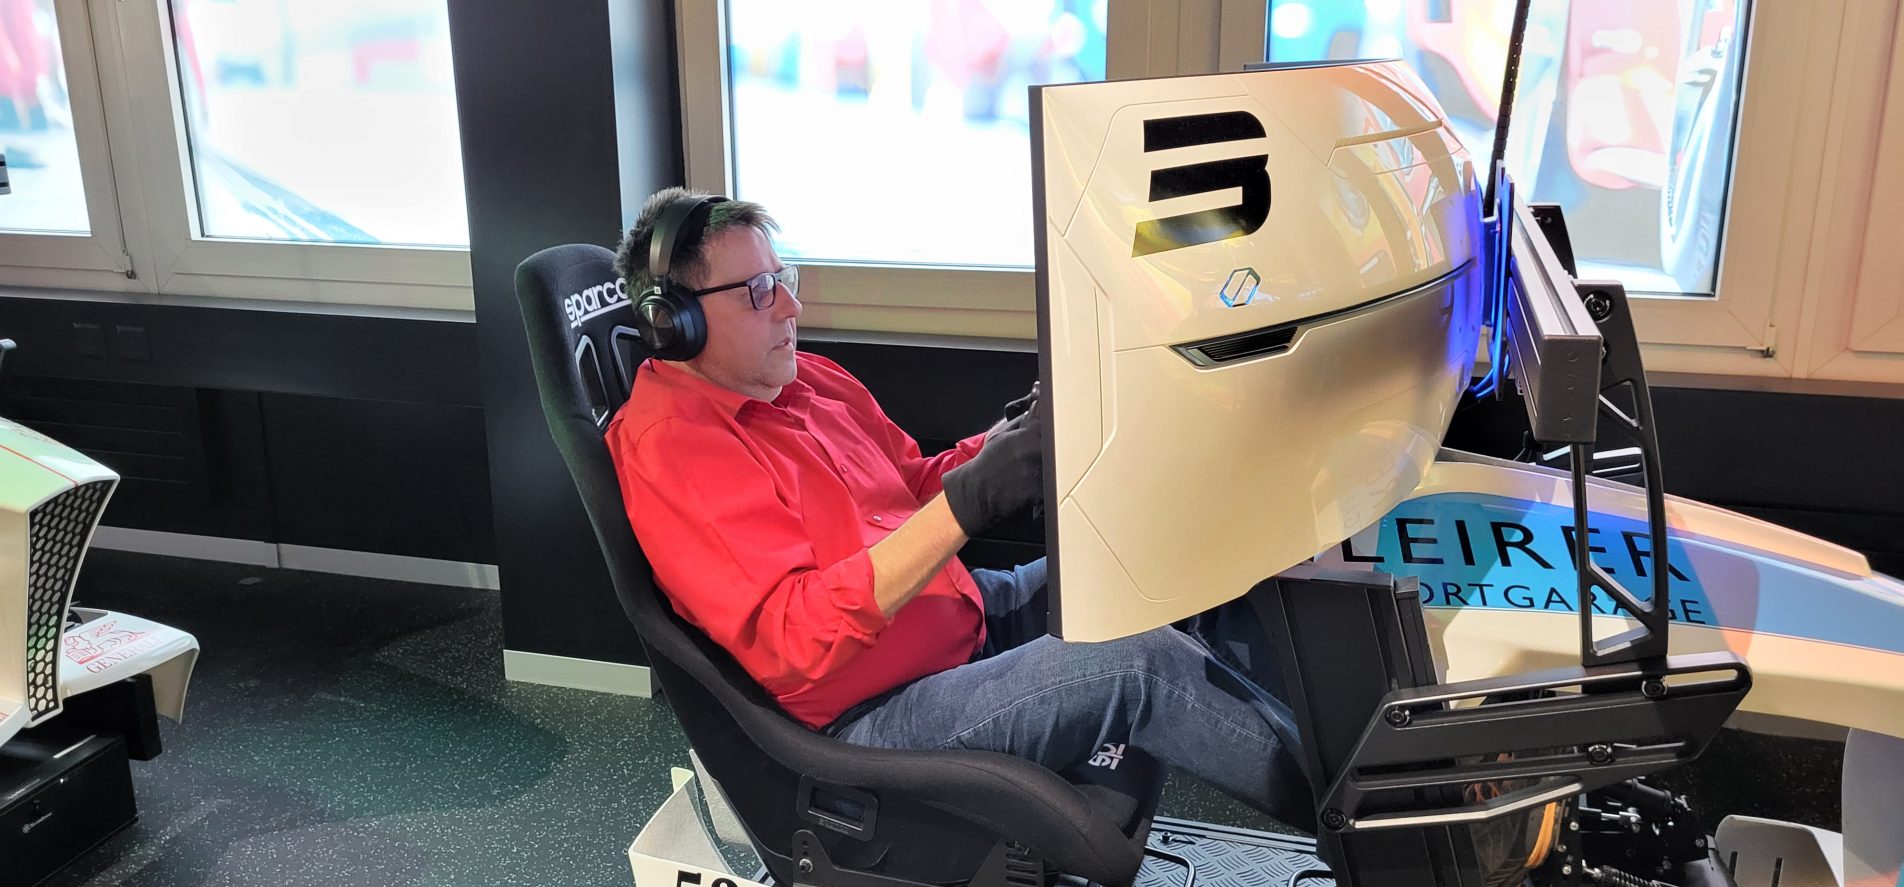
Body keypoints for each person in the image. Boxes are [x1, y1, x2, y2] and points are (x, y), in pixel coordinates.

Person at [604, 188, 1554, 887]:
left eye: (784, 278)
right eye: (758, 291)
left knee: (1177, 561)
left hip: (953, 621)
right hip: (869, 714)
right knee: (1131, 665)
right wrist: (970, 504)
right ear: (675, 323)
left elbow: (912, 485)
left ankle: (1396, 762)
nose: (790, 306)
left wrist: (1015, 441)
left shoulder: (802, 380)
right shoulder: (674, 448)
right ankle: (1416, 834)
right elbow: (797, 638)